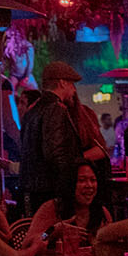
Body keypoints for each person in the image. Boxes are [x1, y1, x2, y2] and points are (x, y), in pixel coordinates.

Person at [20, 61, 84, 212]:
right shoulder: (56, 109)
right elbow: (56, 153)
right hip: (50, 191)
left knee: (38, 232)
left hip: (32, 188)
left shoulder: (32, 110)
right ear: (62, 83)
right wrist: (68, 186)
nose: (74, 90)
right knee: (53, 233)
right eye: (71, 84)